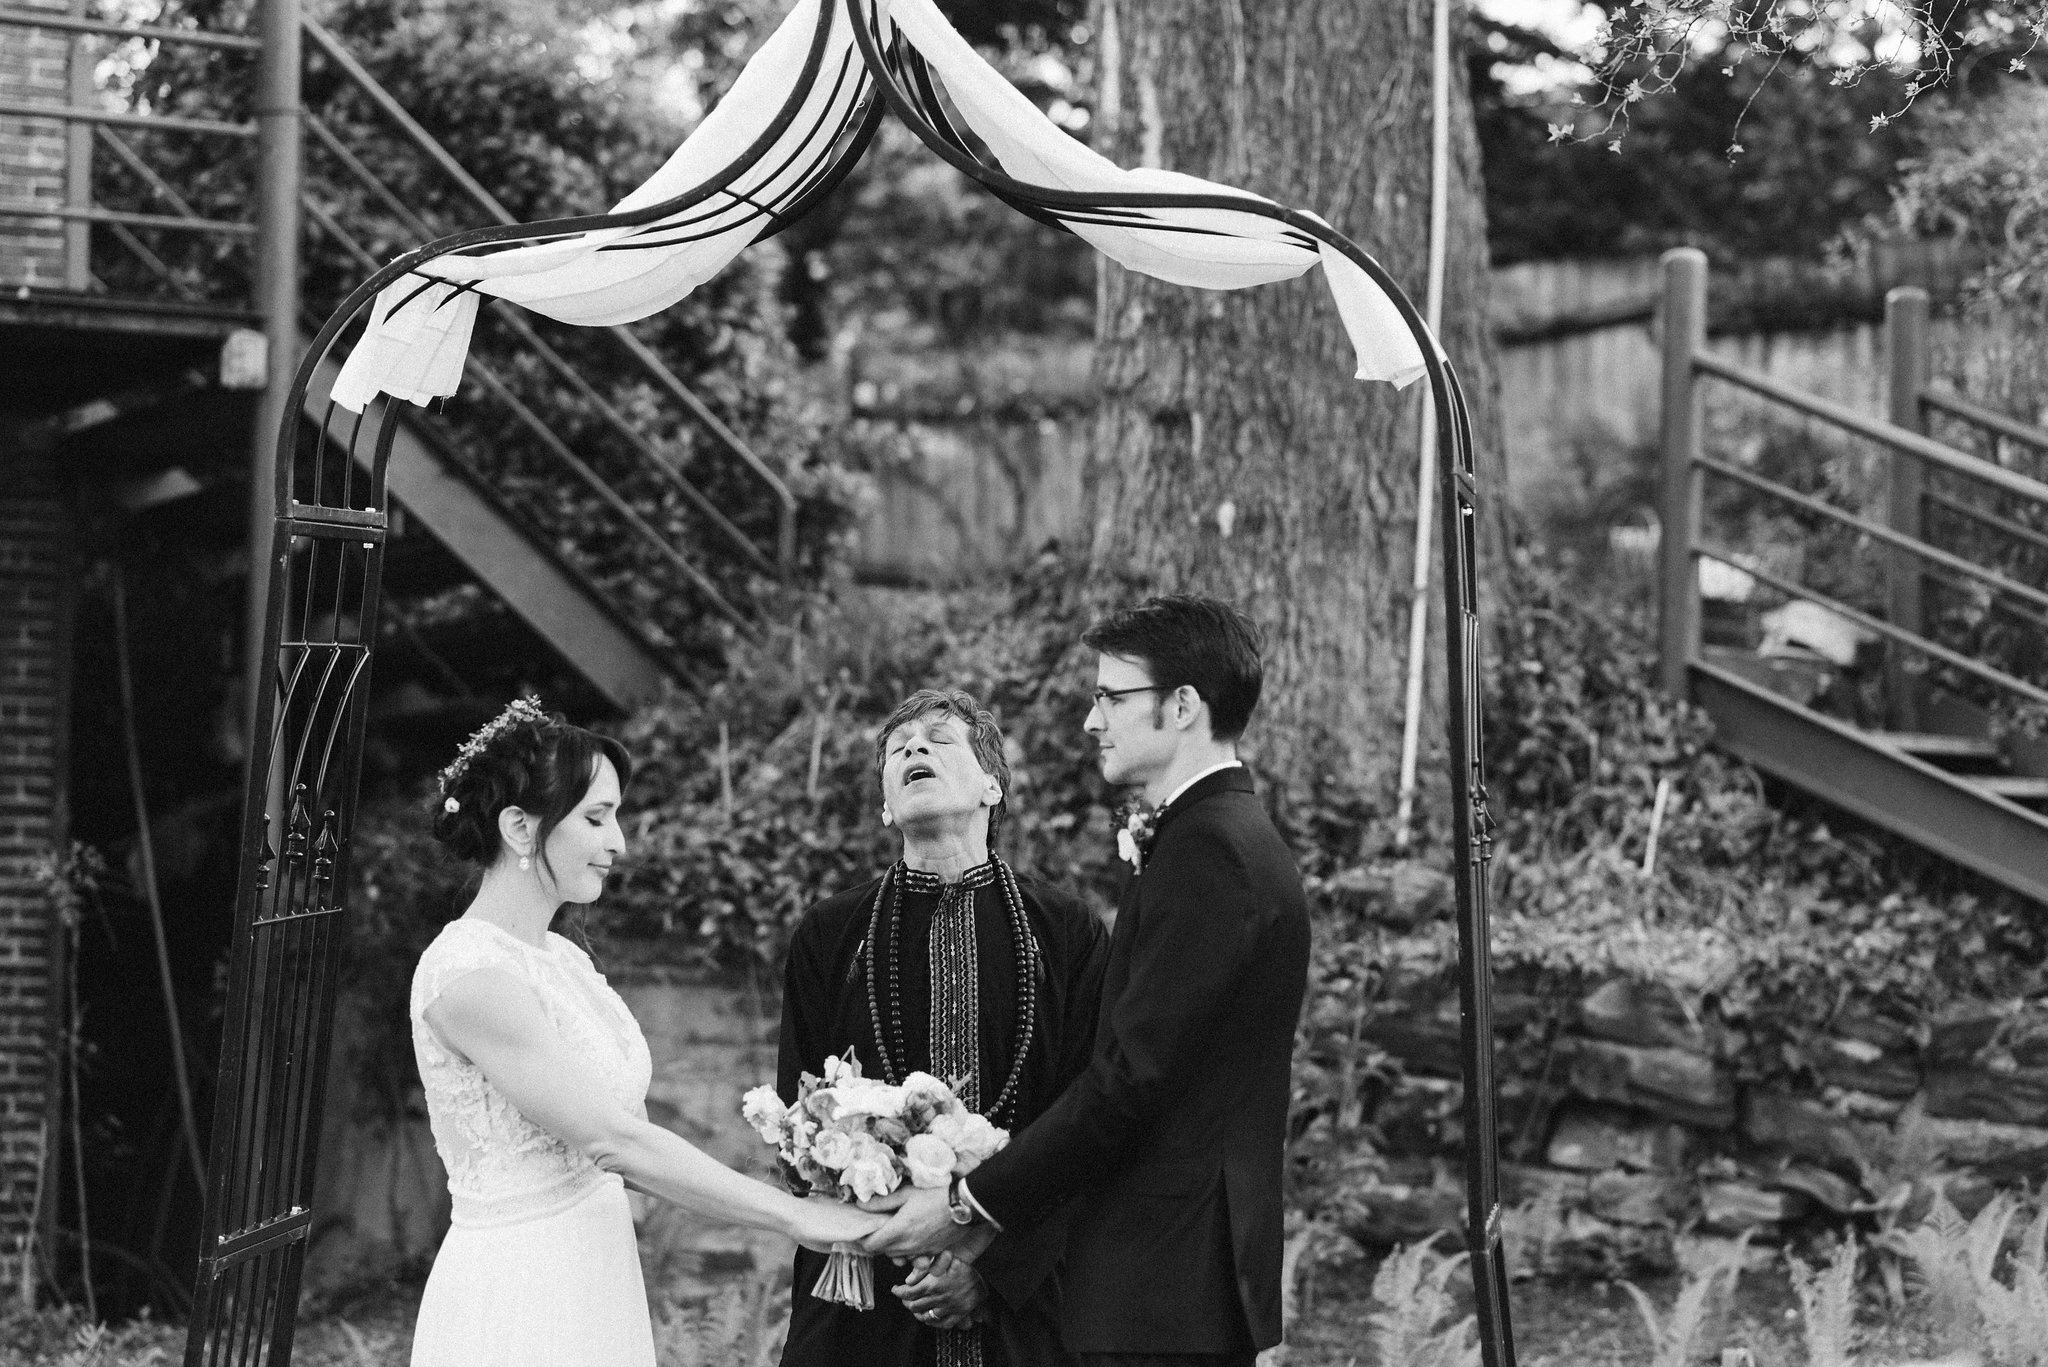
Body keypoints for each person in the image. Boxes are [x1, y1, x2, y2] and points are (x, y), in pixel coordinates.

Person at [862, 597, 1311, 1367]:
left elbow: (1131, 1078)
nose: (1090, 720)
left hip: (1164, 1279)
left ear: (1181, 705)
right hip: (1170, 1272)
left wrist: (970, 1203)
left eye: (1110, 696)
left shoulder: (1210, 852)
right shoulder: (1218, 833)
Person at [407, 697, 880, 1367]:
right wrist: (798, 1217)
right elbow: (615, 1139)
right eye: (597, 817)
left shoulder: (563, 959)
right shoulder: (468, 973)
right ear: (519, 827)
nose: (619, 841)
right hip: (521, 1288)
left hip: (595, 1274)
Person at [777, 688, 1109, 1367]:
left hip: (1024, 1306)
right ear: (885, 805)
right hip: (866, 1296)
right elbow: (798, 1124)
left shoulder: (1066, 932)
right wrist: (881, 1223)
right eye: (897, 749)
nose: (914, 749)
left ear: (993, 784)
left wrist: (991, 1269)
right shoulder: (829, 935)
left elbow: (1091, 1125)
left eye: (937, 738)